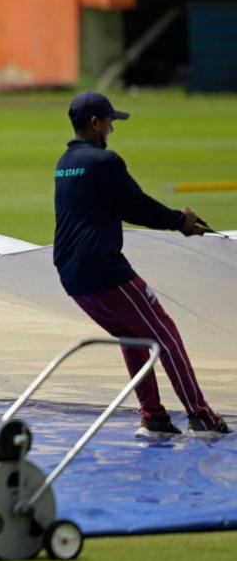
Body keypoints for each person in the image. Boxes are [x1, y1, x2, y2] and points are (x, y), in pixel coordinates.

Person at [53, 91, 230, 438]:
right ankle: (201, 417)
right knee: (165, 334)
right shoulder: (105, 162)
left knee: (133, 336)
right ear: (94, 124)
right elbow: (137, 207)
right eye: (109, 122)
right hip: (104, 269)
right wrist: (181, 221)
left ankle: (154, 417)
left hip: (70, 272)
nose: (111, 130)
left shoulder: (65, 162)